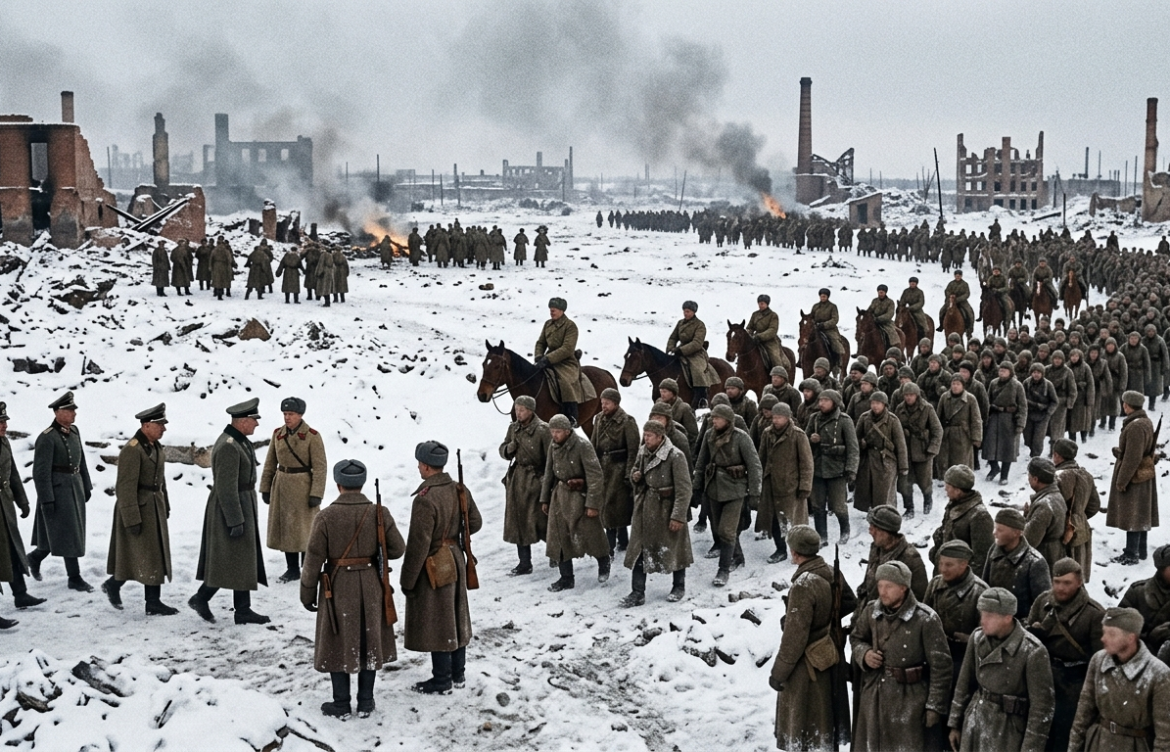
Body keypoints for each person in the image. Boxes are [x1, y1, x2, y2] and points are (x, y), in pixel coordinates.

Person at [300, 459, 406, 718]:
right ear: (362, 484)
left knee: (338, 640)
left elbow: (313, 559)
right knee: (370, 640)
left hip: (337, 586)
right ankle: (366, 701)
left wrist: (306, 592)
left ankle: (341, 703)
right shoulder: (379, 512)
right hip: (371, 584)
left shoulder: (325, 516)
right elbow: (398, 548)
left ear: (338, 485)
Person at [400, 442, 482, 695]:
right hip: (456, 557)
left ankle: (442, 679)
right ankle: (458, 674)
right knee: (456, 618)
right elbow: (475, 522)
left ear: (425, 466)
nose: (418, 468)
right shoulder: (459, 489)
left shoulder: (425, 499)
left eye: (419, 464)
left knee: (439, 622)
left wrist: (408, 580)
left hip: (435, 563)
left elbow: (418, 544)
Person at [850, 560, 952, 752]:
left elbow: (942, 666)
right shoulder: (872, 611)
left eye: (888, 586)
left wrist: (934, 706)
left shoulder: (925, 619)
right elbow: (856, 638)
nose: (882, 591)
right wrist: (864, 654)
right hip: (876, 696)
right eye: (880, 585)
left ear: (903, 587)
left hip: (911, 700)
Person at [770, 525, 856, 752]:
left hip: (807, 669)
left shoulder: (804, 584)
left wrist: (778, 674)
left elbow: (794, 639)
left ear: (795, 552)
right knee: (827, 727)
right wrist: (828, 624)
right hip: (829, 657)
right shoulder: (829, 570)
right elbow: (849, 601)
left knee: (807, 730)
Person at [189, 398, 270, 625]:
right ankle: (201, 598)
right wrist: (235, 519)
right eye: (254, 420)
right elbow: (226, 487)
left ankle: (242, 609)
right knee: (228, 557)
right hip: (231, 505)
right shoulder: (229, 446)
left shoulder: (239, 441)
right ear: (242, 421)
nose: (256, 424)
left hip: (242, 502)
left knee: (240, 557)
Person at [947, 587, 1055, 752]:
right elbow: (964, 683)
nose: (983, 620)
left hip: (1008, 731)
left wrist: (1030, 749)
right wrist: (955, 723)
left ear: (1007, 617)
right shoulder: (977, 638)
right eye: (982, 614)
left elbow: (1041, 708)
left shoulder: (1032, 651)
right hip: (975, 722)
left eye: (989, 616)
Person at [102, 404, 177, 615]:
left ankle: (153, 602)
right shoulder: (132, 450)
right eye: (160, 425)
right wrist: (131, 517)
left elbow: (160, 480)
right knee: (135, 554)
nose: (164, 429)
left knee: (154, 555)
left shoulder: (155, 447)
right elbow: (125, 487)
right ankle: (113, 585)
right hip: (138, 508)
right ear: (146, 426)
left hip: (154, 507)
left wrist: (166, 505)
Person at [1026, 558, 1105, 752]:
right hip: (1042, 677)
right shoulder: (1043, 601)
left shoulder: (1094, 614)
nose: (1061, 588)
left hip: (1073, 686)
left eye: (1067, 583)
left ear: (1079, 582)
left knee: (1064, 736)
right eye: (1057, 582)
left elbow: (1100, 659)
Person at [1068, 607, 1170, 750]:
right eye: (1104, 632)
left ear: (1130, 637)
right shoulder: (1098, 661)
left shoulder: (1159, 673)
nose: (1103, 638)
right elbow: (1083, 715)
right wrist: (1073, 748)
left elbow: (1165, 736)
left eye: (1112, 634)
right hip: (1098, 744)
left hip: (1135, 746)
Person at [621, 420, 693, 605]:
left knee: (674, 549)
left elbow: (684, 490)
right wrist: (635, 476)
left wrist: (678, 516)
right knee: (639, 549)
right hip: (645, 507)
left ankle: (679, 586)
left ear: (660, 437)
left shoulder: (676, 456)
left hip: (666, 508)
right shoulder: (643, 451)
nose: (645, 439)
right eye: (644, 435)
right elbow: (636, 469)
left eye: (649, 436)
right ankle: (637, 592)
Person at [29, 391, 93, 591]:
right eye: (69, 410)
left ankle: (34, 557)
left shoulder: (75, 432)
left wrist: (87, 485)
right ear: (57, 412)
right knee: (68, 534)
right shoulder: (47, 438)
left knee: (62, 533)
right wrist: (47, 498)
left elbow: (81, 462)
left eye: (74, 410)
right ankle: (74, 578)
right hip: (57, 492)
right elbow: (40, 472)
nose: (74, 414)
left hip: (75, 488)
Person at [692, 404, 762, 586]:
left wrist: (754, 493)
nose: (713, 421)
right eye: (712, 418)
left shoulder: (741, 437)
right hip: (713, 488)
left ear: (728, 420)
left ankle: (723, 570)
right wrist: (696, 488)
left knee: (726, 530)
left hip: (735, 489)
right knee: (718, 529)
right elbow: (701, 463)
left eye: (717, 418)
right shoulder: (709, 435)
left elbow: (754, 466)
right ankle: (738, 556)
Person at [260, 397, 328, 584]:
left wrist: (316, 493)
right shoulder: (278, 435)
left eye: (291, 414)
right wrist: (265, 487)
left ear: (300, 415)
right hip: (282, 485)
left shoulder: (312, 436)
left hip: (303, 487)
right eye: (285, 414)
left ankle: (308, 566)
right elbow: (270, 463)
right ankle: (292, 569)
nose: (287, 418)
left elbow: (320, 467)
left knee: (305, 529)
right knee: (287, 529)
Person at [541, 415, 610, 591]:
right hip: (560, 496)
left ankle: (603, 561)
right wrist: (545, 499)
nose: (554, 435)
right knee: (560, 537)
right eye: (552, 431)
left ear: (567, 430)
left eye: (557, 431)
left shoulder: (582, 446)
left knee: (591, 533)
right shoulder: (553, 446)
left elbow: (595, 476)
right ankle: (566, 578)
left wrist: (592, 504)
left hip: (580, 497)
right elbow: (549, 473)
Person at [923, 540, 988, 702]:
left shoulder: (980, 593)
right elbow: (923, 617)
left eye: (949, 565)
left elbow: (988, 638)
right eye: (941, 563)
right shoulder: (935, 584)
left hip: (964, 662)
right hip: (935, 659)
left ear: (964, 564)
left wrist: (970, 639)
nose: (942, 569)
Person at [0, 401, 42, 624]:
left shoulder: (4, 442)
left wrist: (22, 501)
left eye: (5, 421)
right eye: (0, 421)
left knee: (12, 551)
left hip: (5, 507)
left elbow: (13, 474)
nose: (5, 425)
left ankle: (21, 595)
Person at [499, 396, 550, 576]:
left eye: (521, 410)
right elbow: (503, 450)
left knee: (541, 521)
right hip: (518, 480)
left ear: (531, 410)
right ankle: (524, 563)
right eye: (516, 409)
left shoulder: (543, 430)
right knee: (519, 522)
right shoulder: (513, 428)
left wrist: (545, 481)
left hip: (536, 480)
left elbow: (550, 458)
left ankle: (557, 554)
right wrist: (509, 448)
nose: (518, 413)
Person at [756, 403, 813, 564]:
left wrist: (805, 486)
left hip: (791, 486)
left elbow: (807, 463)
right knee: (774, 520)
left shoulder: (798, 435)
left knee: (793, 522)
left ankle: (800, 551)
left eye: (779, 417)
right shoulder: (767, 434)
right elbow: (762, 458)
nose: (775, 420)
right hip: (771, 485)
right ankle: (780, 549)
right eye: (774, 417)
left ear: (788, 418)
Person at [1107, 391, 1158, 565]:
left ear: (1129, 405)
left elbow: (1133, 457)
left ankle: (1131, 554)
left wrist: (1122, 480)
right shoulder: (1145, 422)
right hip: (1143, 475)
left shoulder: (1135, 426)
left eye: (1125, 403)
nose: (1123, 406)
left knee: (1133, 516)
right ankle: (1140, 551)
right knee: (1141, 515)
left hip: (1134, 478)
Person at [590, 388, 640, 557]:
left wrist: (628, 474)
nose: (603, 406)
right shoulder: (598, 419)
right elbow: (594, 445)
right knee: (608, 506)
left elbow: (633, 450)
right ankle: (621, 540)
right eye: (602, 403)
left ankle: (609, 547)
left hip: (619, 470)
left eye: (607, 403)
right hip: (603, 470)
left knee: (615, 507)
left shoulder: (627, 422)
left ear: (616, 403)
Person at [806, 390, 859, 545]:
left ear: (834, 403)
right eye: (820, 400)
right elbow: (804, 441)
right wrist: (811, 439)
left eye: (825, 400)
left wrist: (851, 470)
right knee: (817, 505)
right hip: (817, 468)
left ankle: (845, 530)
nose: (821, 403)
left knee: (838, 506)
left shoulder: (844, 420)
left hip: (837, 469)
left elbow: (853, 447)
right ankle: (821, 536)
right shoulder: (814, 419)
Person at [855, 505, 928, 612]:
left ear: (887, 531)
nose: (871, 531)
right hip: (869, 617)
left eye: (875, 528)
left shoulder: (911, 559)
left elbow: (919, 602)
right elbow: (868, 588)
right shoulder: (876, 548)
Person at [982, 509, 1051, 620]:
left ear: (1016, 533)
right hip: (992, 620)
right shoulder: (994, 550)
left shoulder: (1035, 563)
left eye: (1000, 530)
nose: (994, 533)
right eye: (995, 528)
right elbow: (984, 587)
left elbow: (1043, 606)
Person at [930, 465, 995, 576]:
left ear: (958, 490)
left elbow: (981, 559)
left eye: (948, 485)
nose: (945, 488)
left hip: (959, 579)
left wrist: (964, 583)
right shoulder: (954, 504)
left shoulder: (980, 516)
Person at [1053, 438, 1100, 581]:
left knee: (1062, 573)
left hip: (1063, 531)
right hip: (1081, 529)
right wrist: (1079, 517)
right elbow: (1094, 505)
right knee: (1076, 575)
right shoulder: (1086, 475)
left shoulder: (1059, 477)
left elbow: (1054, 506)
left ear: (1058, 455)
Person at [853, 392, 908, 513]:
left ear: (884, 405)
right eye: (872, 403)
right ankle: (873, 513)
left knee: (884, 492)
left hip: (886, 460)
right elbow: (855, 439)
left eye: (878, 403)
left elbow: (901, 444)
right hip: (868, 460)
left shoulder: (893, 420)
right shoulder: (864, 418)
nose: (875, 406)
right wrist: (861, 443)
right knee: (868, 490)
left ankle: (886, 514)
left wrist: (903, 466)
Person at [895, 383, 942, 518]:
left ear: (917, 395)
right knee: (904, 483)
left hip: (923, 451)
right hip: (905, 451)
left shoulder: (927, 408)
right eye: (906, 395)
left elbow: (937, 430)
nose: (908, 398)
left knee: (925, 481)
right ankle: (909, 508)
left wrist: (932, 449)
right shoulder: (900, 409)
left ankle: (928, 500)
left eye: (911, 395)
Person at [534, 297, 583, 426]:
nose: (551, 312)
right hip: (548, 360)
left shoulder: (570, 326)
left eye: (554, 310)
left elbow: (567, 349)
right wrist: (539, 357)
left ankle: (571, 414)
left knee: (563, 381)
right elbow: (541, 342)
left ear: (562, 310)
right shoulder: (547, 324)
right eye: (550, 310)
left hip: (566, 362)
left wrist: (548, 359)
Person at [1119, 545, 1170, 655]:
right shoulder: (1138, 592)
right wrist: (1149, 638)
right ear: (1161, 568)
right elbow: (1117, 628)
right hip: (1140, 657)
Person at [984, 361, 1027, 485]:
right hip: (994, 418)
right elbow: (988, 400)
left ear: (1011, 372)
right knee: (989, 447)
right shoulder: (993, 383)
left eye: (1005, 370)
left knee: (1007, 449)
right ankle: (994, 468)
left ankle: (1004, 475)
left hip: (1009, 420)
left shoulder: (1017, 386)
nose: (1002, 372)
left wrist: (1020, 423)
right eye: (1000, 370)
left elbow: (1023, 406)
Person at [667, 301, 716, 409]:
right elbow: (673, 337)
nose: (685, 313)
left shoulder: (700, 325)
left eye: (688, 311)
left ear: (693, 312)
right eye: (684, 311)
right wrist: (671, 348)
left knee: (698, 370)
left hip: (695, 353)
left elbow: (697, 343)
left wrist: (682, 350)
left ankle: (702, 397)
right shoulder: (680, 323)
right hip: (679, 350)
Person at [1023, 457, 1068, 571]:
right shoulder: (1055, 495)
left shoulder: (1044, 505)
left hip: (1045, 557)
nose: (1028, 480)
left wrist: (1025, 519)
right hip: (1054, 553)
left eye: (1029, 476)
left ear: (1035, 479)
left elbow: (1030, 540)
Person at [747, 294, 788, 372]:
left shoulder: (773, 315)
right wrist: (748, 333)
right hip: (755, 339)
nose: (760, 305)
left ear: (767, 304)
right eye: (759, 303)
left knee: (775, 358)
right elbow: (750, 327)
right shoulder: (755, 314)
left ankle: (779, 374)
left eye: (762, 303)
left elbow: (772, 330)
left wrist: (760, 336)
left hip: (769, 341)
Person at [811, 288, 849, 373]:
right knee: (805, 341)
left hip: (829, 329)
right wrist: (814, 324)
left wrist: (824, 325)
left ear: (827, 297)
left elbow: (835, 319)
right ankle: (802, 360)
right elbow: (811, 317)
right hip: (816, 329)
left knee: (835, 342)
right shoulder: (815, 306)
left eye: (824, 296)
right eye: (821, 296)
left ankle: (837, 362)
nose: (823, 297)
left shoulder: (832, 306)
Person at [938, 269, 974, 336]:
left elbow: (967, 294)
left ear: (961, 276)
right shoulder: (951, 284)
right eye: (956, 276)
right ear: (954, 276)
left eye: (959, 276)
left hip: (962, 302)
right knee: (942, 310)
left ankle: (969, 329)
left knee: (969, 312)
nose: (958, 277)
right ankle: (941, 325)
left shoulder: (965, 284)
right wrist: (950, 296)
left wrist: (958, 299)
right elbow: (947, 291)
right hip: (951, 301)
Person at [867, 285, 900, 351]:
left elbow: (890, 314)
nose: (880, 294)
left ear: (885, 293)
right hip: (874, 321)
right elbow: (870, 310)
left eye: (882, 292)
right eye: (879, 292)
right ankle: (861, 350)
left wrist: (880, 319)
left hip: (886, 323)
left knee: (891, 333)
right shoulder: (875, 301)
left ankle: (892, 348)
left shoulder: (890, 302)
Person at [899, 277, 931, 343]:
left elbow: (921, 302)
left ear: (916, 284)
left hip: (917, 310)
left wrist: (912, 308)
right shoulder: (906, 291)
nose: (912, 284)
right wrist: (902, 305)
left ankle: (924, 333)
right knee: (899, 318)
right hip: (906, 310)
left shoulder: (920, 292)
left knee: (921, 319)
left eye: (914, 283)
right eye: (911, 283)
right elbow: (903, 300)